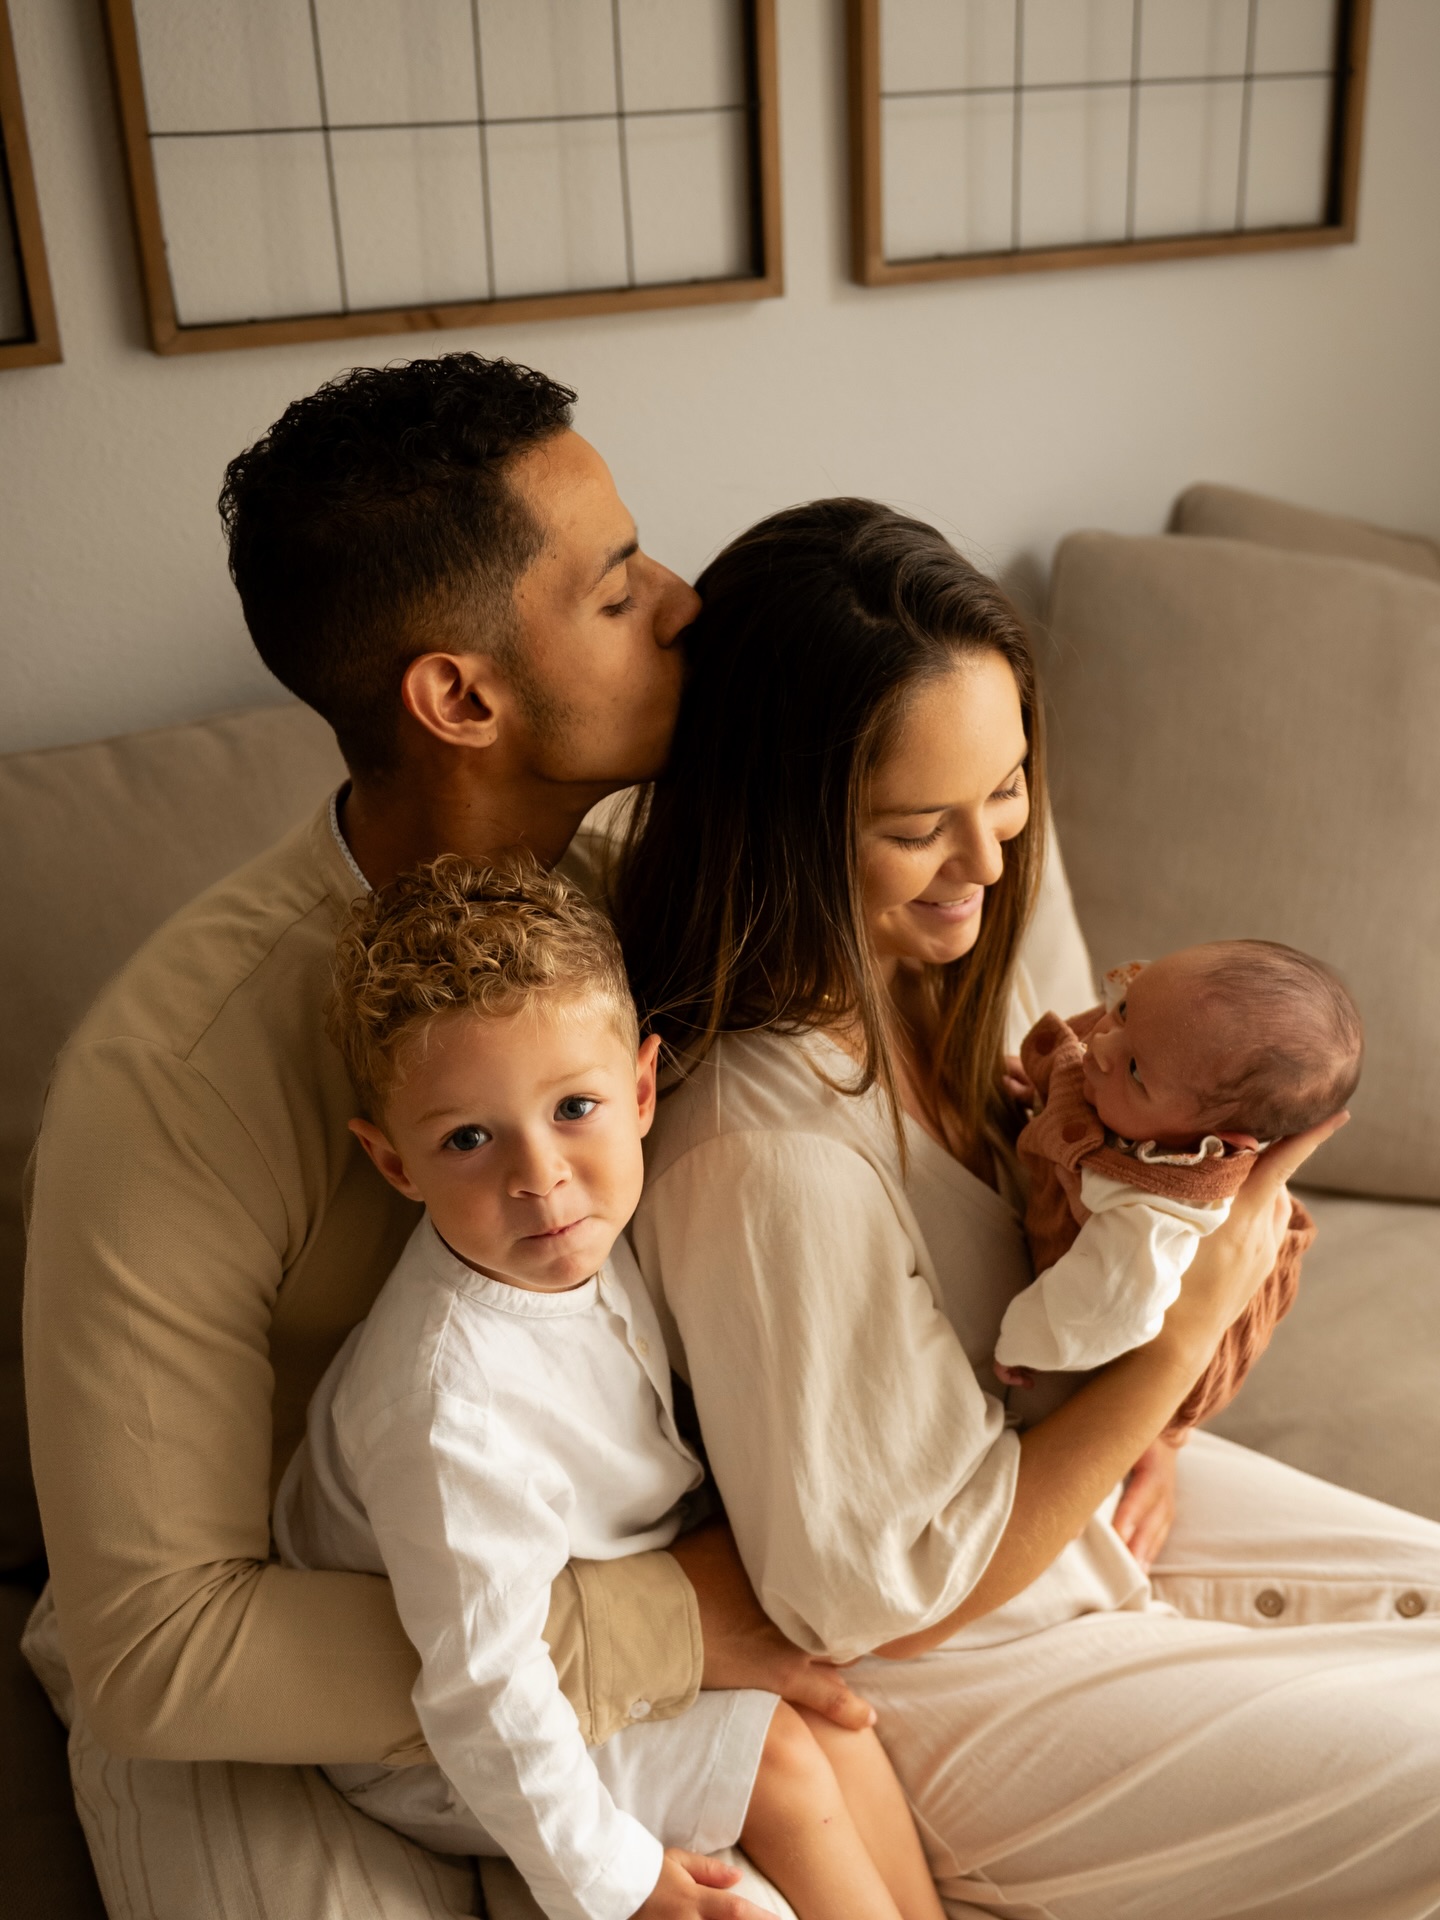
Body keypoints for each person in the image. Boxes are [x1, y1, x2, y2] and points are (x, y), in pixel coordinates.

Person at [22, 357, 869, 1920]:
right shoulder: (172, 1079)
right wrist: (667, 1621)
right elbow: (161, 1648)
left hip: (594, 1567)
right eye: (617, 591)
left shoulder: (640, 892)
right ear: (460, 695)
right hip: (266, 1697)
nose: (682, 603)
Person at [617, 497, 1440, 1914]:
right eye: (916, 827)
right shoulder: (765, 1159)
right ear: (784, 819)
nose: (991, 864)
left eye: (1005, 792)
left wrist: (1135, 1417)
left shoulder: (907, 989)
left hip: (1051, 1517)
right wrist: (1172, 1356)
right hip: (954, 1668)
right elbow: (870, 1594)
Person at [276, 853, 945, 1920]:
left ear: (641, 1091)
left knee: (836, 1730)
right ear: (394, 1163)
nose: (538, 1177)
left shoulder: (602, 1232)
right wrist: (617, 1883)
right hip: (445, 1744)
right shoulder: (447, 1402)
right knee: (781, 1757)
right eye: (467, 1139)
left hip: (602, 1642)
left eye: (574, 1108)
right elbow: (483, 1693)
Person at [991, 939, 1361, 1433]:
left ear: (1213, 1140)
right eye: (1123, 1009)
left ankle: (1164, 1440)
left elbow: (1109, 1306)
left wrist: (1024, 1343)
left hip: (1184, 1342)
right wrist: (1043, 1088)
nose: (1100, 1045)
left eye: (1137, 1071)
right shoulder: (1152, 1047)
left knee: (1154, 1404)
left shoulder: (1151, 1209)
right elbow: (1110, 1047)